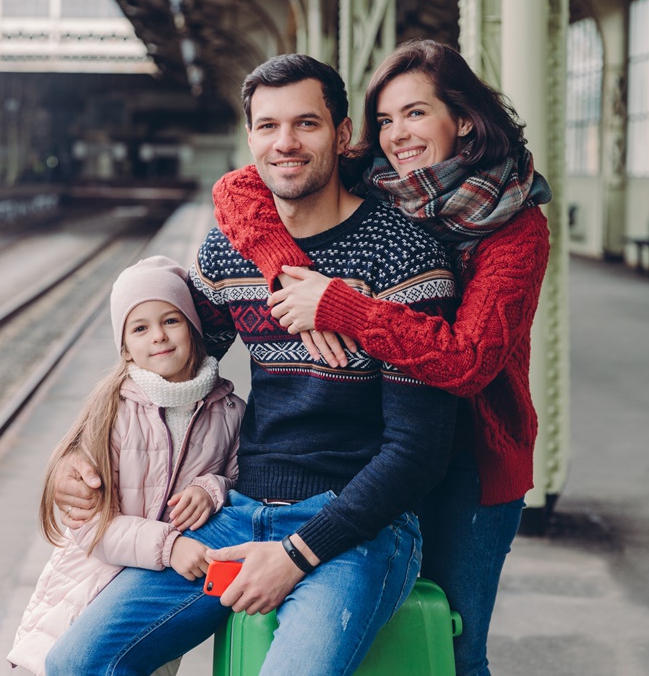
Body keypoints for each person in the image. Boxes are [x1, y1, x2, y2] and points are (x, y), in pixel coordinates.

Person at [45, 54, 459, 675]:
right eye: (267, 126)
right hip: (239, 510)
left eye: (306, 124)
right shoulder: (230, 250)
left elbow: (417, 450)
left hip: (361, 526)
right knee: (77, 664)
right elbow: (165, 365)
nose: (284, 143)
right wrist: (78, 450)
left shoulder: (403, 255)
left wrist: (295, 555)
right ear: (249, 138)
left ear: (343, 135)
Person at [211, 39, 553, 676]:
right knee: (369, 639)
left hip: (470, 462)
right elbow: (239, 189)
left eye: (417, 114)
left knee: (452, 644)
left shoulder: (515, 225)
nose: (398, 135)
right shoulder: (378, 178)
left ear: (466, 120)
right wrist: (283, 272)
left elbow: (468, 362)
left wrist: (339, 307)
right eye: (386, 119)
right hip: (380, 453)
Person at [6, 256, 244, 676]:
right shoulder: (111, 412)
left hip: (160, 595)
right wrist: (169, 546)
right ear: (124, 346)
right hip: (89, 588)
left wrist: (212, 488)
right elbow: (88, 525)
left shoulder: (229, 412)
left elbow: (242, 482)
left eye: (171, 320)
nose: (158, 337)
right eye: (140, 327)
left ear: (193, 327)